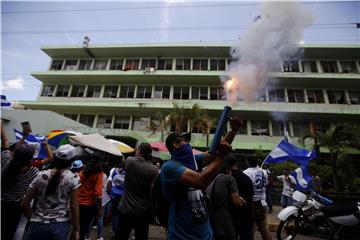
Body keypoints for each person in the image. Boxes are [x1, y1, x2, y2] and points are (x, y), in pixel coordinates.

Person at [160, 117, 242, 240]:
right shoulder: (170, 167)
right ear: (175, 145)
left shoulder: (193, 161)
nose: (188, 143)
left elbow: (213, 154)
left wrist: (233, 131)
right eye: (185, 140)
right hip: (182, 236)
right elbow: (201, 181)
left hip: (206, 234)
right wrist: (223, 154)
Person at [20, 144, 81, 240]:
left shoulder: (41, 175)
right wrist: (76, 229)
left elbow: (24, 204)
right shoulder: (73, 178)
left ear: (55, 158)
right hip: (60, 226)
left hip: (36, 225)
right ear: (72, 160)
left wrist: (33, 219)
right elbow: (74, 206)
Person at [113, 143, 159, 240]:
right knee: (141, 236)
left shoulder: (130, 161)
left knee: (121, 235)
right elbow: (152, 191)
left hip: (126, 208)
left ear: (140, 151)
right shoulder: (154, 169)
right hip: (143, 210)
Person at [1, 144, 39, 240]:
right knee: (9, 231)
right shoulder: (32, 172)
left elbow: (6, 148)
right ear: (30, 160)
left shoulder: (5, 161)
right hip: (14, 207)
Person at [206, 161, 245, 240]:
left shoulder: (212, 179)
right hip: (224, 219)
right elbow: (237, 202)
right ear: (228, 170)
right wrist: (241, 201)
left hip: (211, 218)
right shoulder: (229, 178)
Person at [243, 155, 271, 240]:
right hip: (263, 202)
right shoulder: (264, 172)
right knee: (264, 229)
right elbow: (267, 184)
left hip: (253, 204)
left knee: (251, 229)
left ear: (247, 162)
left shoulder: (246, 173)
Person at [78, 153, 104, 240]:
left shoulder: (82, 172)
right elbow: (98, 193)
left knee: (77, 227)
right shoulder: (99, 174)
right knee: (84, 227)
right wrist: (100, 208)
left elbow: (77, 185)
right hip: (89, 204)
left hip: (78, 203)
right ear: (99, 162)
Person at [228, 154, 254, 240]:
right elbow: (250, 197)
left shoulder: (225, 178)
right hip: (245, 212)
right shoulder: (246, 178)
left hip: (230, 214)